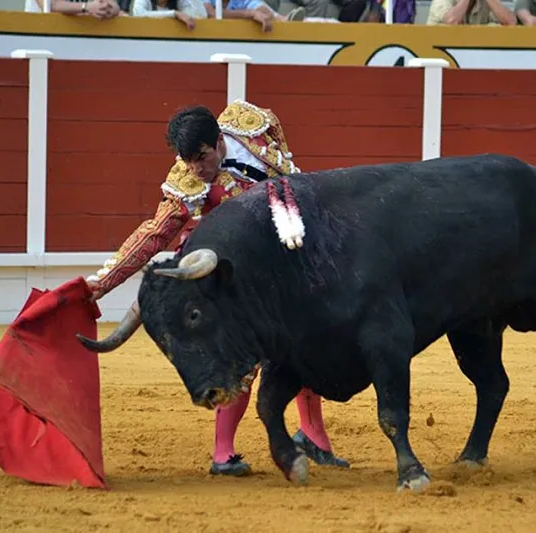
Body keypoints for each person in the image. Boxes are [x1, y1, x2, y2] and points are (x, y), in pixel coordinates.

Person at [85, 100, 350, 476]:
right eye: (187, 161)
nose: (196, 169)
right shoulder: (187, 183)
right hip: (233, 277)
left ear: (219, 141)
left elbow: (289, 171)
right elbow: (155, 234)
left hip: (284, 261)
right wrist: (102, 281)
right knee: (241, 360)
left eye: (201, 158)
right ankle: (223, 453)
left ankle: (314, 438)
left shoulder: (255, 126)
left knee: (303, 348)